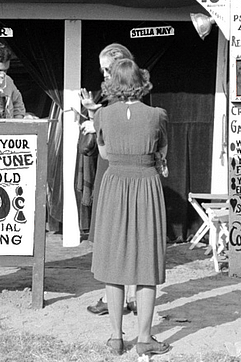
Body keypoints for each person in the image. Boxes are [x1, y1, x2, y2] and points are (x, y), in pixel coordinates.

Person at [90, 58, 170, 356]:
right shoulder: (157, 115)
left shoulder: (102, 115)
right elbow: (161, 150)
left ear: (112, 85)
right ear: (142, 83)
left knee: (114, 262)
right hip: (145, 185)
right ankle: (145, 338)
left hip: (114, 185)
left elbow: (104, 152)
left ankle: (115, 338)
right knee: (146, 263)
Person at [79, 43, 138, 316]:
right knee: (128, 233)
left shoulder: (122, 101)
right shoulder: (125, 99)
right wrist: (94, 112)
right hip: (129, 172)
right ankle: (131, 295)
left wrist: (97, 121)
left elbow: (113, 139)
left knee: (113, 234)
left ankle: (114, 297)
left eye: (106, 69)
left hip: (115, 170)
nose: (103, 75)